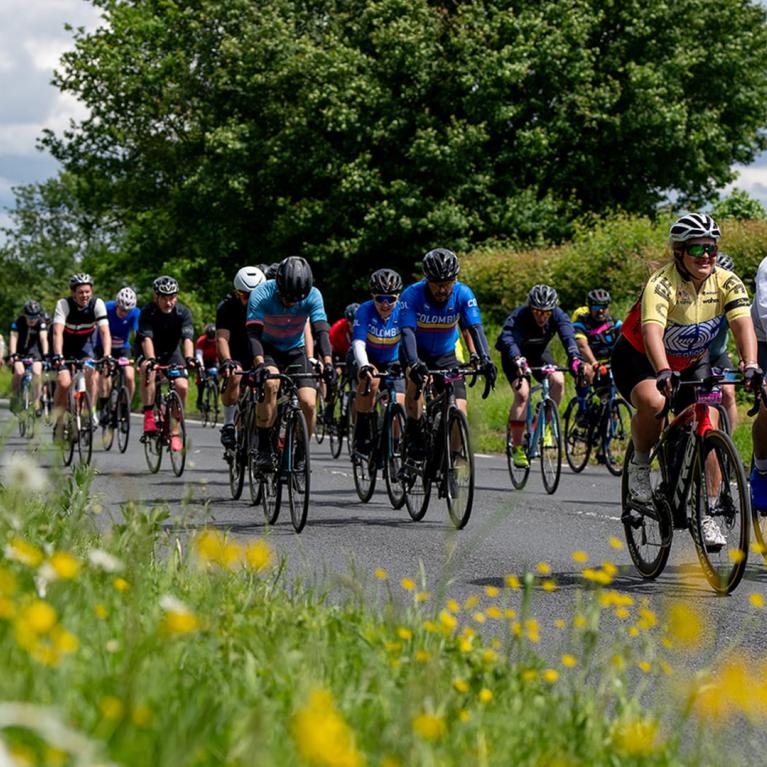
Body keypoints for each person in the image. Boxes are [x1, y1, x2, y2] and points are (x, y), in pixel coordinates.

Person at [613, 213, 758, 549]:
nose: (706, 254)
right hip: (640, 359)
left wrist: (750, 364)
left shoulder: (727, 281)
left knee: (711, 415)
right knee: (655, 402)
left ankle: (706, 510)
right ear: (679, 251)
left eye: (711, 247)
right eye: (697, 247)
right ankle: (639, 467)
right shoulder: (661, 284)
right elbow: (652, 332)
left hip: (693, 361)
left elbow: (742, 325)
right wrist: (662, 370)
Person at [399, 248, 496, 458]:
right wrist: (414, 363)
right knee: (415, 382)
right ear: (427, 280)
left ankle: (453, 458)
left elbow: (475, 328)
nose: (443, 289)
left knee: (459, 409)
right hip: (417, 351)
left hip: (446, 354)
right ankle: (414, 434)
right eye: (437, 284)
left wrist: (486, 359)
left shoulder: (463, 293)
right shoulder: (412, 294)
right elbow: (407, 331)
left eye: (448, 283)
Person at [246, 256, 336, 469]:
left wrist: (329, 363)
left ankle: (302, 451)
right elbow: (253, 334)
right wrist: (259, 364)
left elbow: (321, 331)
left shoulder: (314, 295)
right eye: (287, 297)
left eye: (297, 299)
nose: (291, 302)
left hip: (295, 350)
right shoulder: (262, 294)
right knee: (270, 385)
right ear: (278, 286)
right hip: (268, 348)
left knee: (309, 401)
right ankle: (264, 448)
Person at [496, 284, 583, 469]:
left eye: (546, 313)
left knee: (558, 380)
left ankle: (544, 425)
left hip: (538, 352)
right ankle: (518, 447)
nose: (542, 317)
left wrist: (575, 358)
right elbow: (508, 338)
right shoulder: (520, 315)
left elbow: (568, 336)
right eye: (537, 312)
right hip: (514, 355)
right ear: (530, 307)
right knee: (523, 394)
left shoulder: (558, 314)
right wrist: (517, 359)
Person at [137, 276, 195, 451]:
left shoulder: (183, 313)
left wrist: (190, 358)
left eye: (172, 297)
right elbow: (146, 338)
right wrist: (152, 360)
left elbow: (187, 339)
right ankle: (148, 414)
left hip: (171, 353)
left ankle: (175, 431)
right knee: (148, 368)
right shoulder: (148, 312)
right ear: (156, 297)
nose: (169, 302)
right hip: (149, 349)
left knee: (182, 386)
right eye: (164, 297)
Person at [51, 274, 111, 437]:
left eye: (87, 292)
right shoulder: (63, 304)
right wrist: (58, 355)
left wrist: (107, 355)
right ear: (73, 293)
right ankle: (59, 420)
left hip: (85, 345)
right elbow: (57, 332)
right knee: (64, 383)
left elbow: (105, 332)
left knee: (91, 373)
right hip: (64, 345)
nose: (84, 295)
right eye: (80, 292)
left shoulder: (97, 304)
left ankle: (88, 412)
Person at [351, 269, 405, 452]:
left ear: (398, 297)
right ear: (372, 296)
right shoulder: (364, 310)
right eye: (380, 298)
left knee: (400, 401)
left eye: (391, 299)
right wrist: (364, 365)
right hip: (369, 357)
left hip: (393, 359)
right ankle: (363, 429)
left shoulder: (403, 310)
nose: (385, 304)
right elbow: (358, 342)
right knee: (371, 381)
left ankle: (395, 444)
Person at [217, 265, 266, 448]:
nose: (251, 299)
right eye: (246, 295)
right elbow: (222, 338)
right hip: (236, 352)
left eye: (255, 294)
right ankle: (229, 423)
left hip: (260, 352)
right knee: (235, 374)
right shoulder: (226, 307)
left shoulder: (267, 304)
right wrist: (227, 361)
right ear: (237, 293)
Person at [570, 288, 623, 425]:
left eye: (604, 307)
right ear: (589, 307)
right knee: (585, 370)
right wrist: (594, 364)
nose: (600, 311)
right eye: (596, 307)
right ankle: (582, 409)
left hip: (609, 365)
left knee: (611, 404)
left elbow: (625, 344)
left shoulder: (615, 324)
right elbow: (582, 346)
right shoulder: (581, 323)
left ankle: (606, 439)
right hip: (589, 363)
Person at [95, 287, 140, 420]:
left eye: (127, 310)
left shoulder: (136, 313)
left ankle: (126, 407)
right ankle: (103, 405)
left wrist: (139, 357)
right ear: (116, 304)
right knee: (105, 372)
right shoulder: (106, 307)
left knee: (130, 375)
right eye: (121, 309)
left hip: (122, 348)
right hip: (103, 345)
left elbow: (138, 336)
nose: (124, 313)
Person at [705, 253, 738, 432]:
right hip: (689, 357)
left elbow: (742, 334)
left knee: (728, 393)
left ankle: (728, 445)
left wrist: (746, 361)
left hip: (717, 355)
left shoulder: (732, 300)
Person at [9, 300, 49, 413]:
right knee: (19, 372)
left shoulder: (41, 322)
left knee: (37, 372)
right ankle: (15, 397)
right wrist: (13, 355)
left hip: (35, 351)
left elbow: (43, 339)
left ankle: (36, 402)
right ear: (24, 315)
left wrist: (45, 355)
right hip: (19, 351)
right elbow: (13, 339)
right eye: (30, 317)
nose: (33, 320)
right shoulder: (18, 322)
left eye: (35, 316)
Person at [194, 322, 218, 412]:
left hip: (213, 361)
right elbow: (199, 354)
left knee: (216, 380)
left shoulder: (217, 340)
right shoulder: (201, 340)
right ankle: (199, 400)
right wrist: (201, 366)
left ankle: (215, 402)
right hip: (203, 361)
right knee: (202, 381)